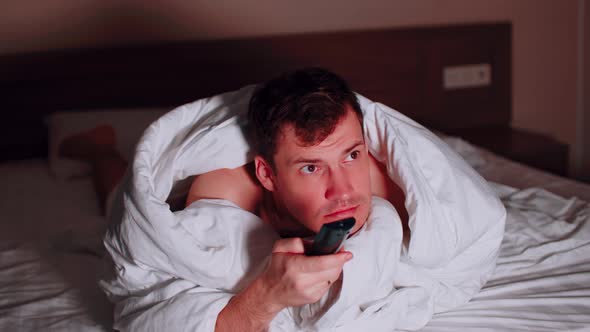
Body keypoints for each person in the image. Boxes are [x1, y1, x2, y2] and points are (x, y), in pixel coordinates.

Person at [59, 67, 409, 331]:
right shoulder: (221, 197)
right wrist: (269, 294)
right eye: (311, 168)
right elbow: (159, 310)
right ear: (267, 175)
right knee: (113, 205)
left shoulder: (384, 181)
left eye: (351, 156)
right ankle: (99, 149)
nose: (344, 190)